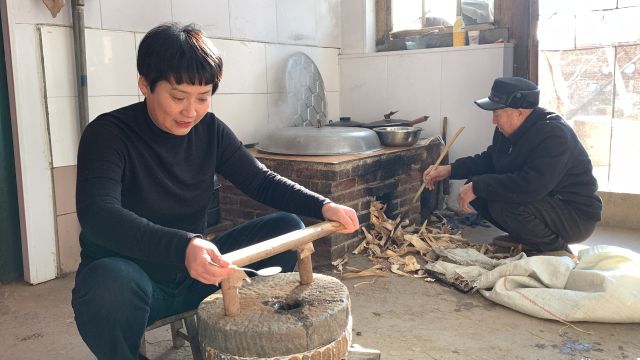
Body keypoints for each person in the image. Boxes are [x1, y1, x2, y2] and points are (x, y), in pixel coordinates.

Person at [71, 23, 359, 360]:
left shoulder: (209, 131)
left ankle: (249, 344)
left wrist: (323, 205)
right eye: (178, 97)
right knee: (108, 284)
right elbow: (98, 213)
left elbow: (260, 181)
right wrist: (184, 246)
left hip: (199, 275)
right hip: (135, 282)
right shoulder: (108, 134)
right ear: (145, 84)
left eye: (203, 97)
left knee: (287, 228)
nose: (190, 111)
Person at [422, 76, 602, 253]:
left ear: (520, 112)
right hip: (545, 202)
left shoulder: (554, 135)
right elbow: (490, 160)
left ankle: (553, 248)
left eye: (497, 113)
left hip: (574, 215)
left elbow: (531, 185)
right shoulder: (506, 130)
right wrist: (449, 169)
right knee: (477, 187)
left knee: (503, 204)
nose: (493, 120)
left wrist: (479, 186)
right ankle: (526, 237)